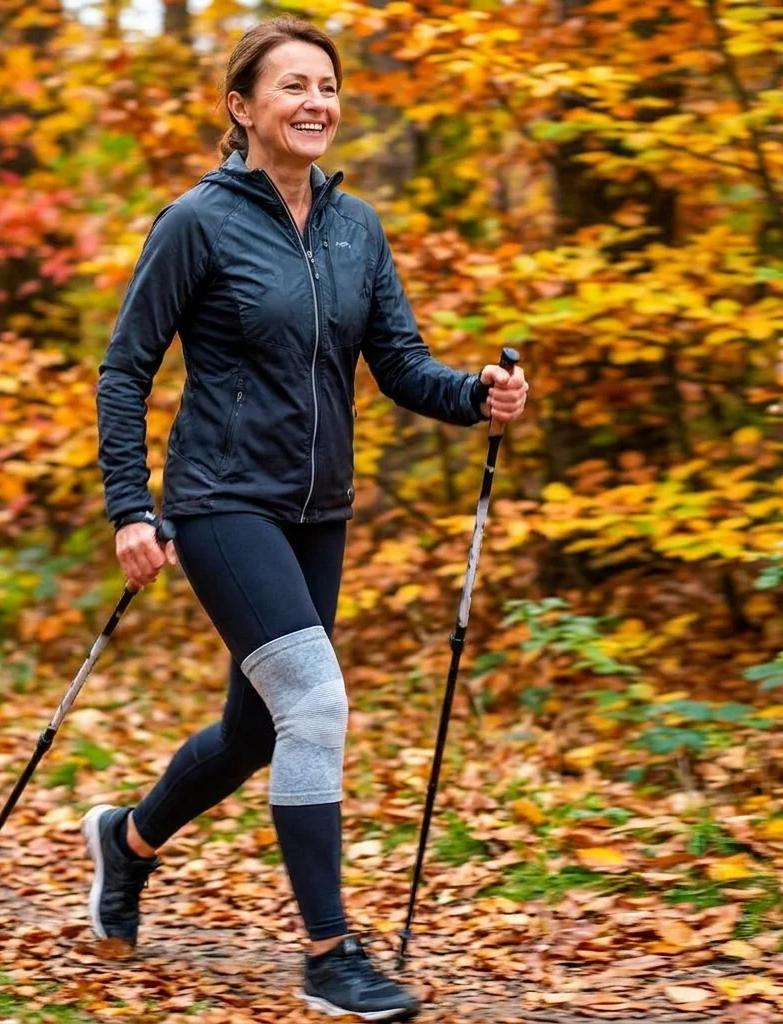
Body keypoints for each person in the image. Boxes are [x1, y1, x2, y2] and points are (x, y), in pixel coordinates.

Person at [87, 15, 529, 1022]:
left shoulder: (354, 225)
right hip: (218, 498)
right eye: (292, 85)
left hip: (317, 506)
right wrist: (129, 505)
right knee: (316, 705)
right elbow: (125, 371)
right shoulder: (196, 221)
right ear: (242, 107)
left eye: (326, 85)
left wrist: (475, 395)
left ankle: (127, 840)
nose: (315, 102)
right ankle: (331, 954)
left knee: (258, 727)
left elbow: (398, 364)